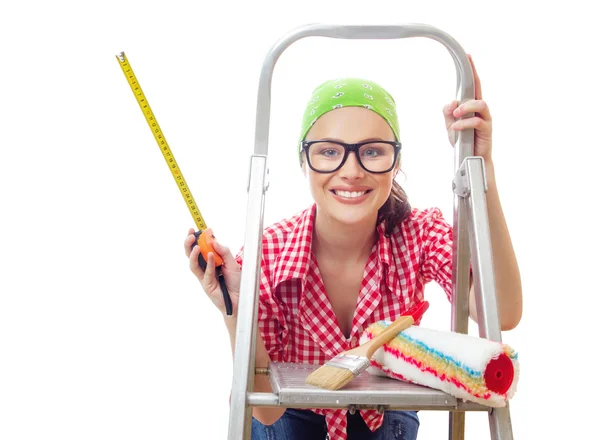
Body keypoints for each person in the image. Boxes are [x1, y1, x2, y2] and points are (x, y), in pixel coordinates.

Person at [184, 55, 522, 440]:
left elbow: (504, 312)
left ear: (396, 163)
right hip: (289, 422)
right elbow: (261, 407)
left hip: (383, 419)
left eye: (373, 151)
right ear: (303, 162)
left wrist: (482, 166)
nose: (351, 170)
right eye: (329, 152)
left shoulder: (420, 235)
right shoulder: (268, 254)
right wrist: (236, 307)